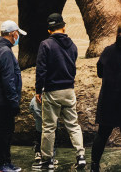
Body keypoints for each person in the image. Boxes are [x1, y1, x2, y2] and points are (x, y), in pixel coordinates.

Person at [34, 13, 86, 170]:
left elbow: (41, 70)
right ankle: (81, 156)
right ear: (64, 27)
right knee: (73, 125)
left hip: (52, 91)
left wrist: (38, 90)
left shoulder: (45, 45)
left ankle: (47, 160)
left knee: (49, 127)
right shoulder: (72, 45)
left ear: (49, 30)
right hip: (69, 90)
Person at [91, 21, 121, 172]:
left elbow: (100, 72)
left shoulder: (107, 51)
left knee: (102, 134)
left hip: (108, 100)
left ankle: (94, 166)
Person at [0, 20, 25, 172]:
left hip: (2, 99)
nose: (18, 37)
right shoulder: (4, 52)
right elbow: (8, 79)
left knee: (6, 132)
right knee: (5, 133)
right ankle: (0, 165)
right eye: (17, 33)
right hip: (6, 101)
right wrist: (13, 102)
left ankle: (6, 162)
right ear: (12, 34)